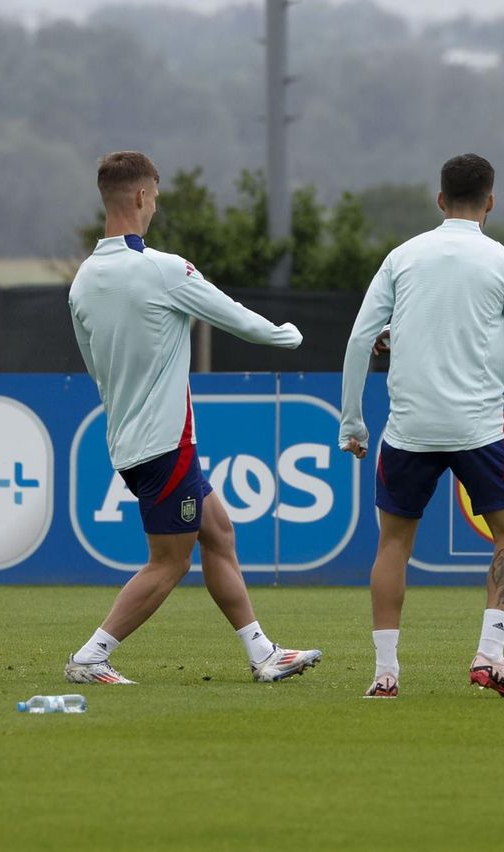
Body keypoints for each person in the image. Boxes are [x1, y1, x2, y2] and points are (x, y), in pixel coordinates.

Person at [66, 151, 319, 685]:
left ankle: (263, 653)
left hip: (128, 442)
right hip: (165, 443)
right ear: (141, 196)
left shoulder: (83, 281)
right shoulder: (163, 269)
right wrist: (291, 335)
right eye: (155, 197)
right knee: (170, 561)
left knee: (219, 532)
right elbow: (240, 321)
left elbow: (95, 370)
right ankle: (90, 656)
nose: (155, 206)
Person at [340, 153, 504, 700]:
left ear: (439, 199)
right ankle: (490, 655)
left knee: (393, 545)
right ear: (490, 202)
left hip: (408, 430)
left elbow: (361, 339)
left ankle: (385, 673)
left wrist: (353, 420)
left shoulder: (402, 257)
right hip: (478, 431)